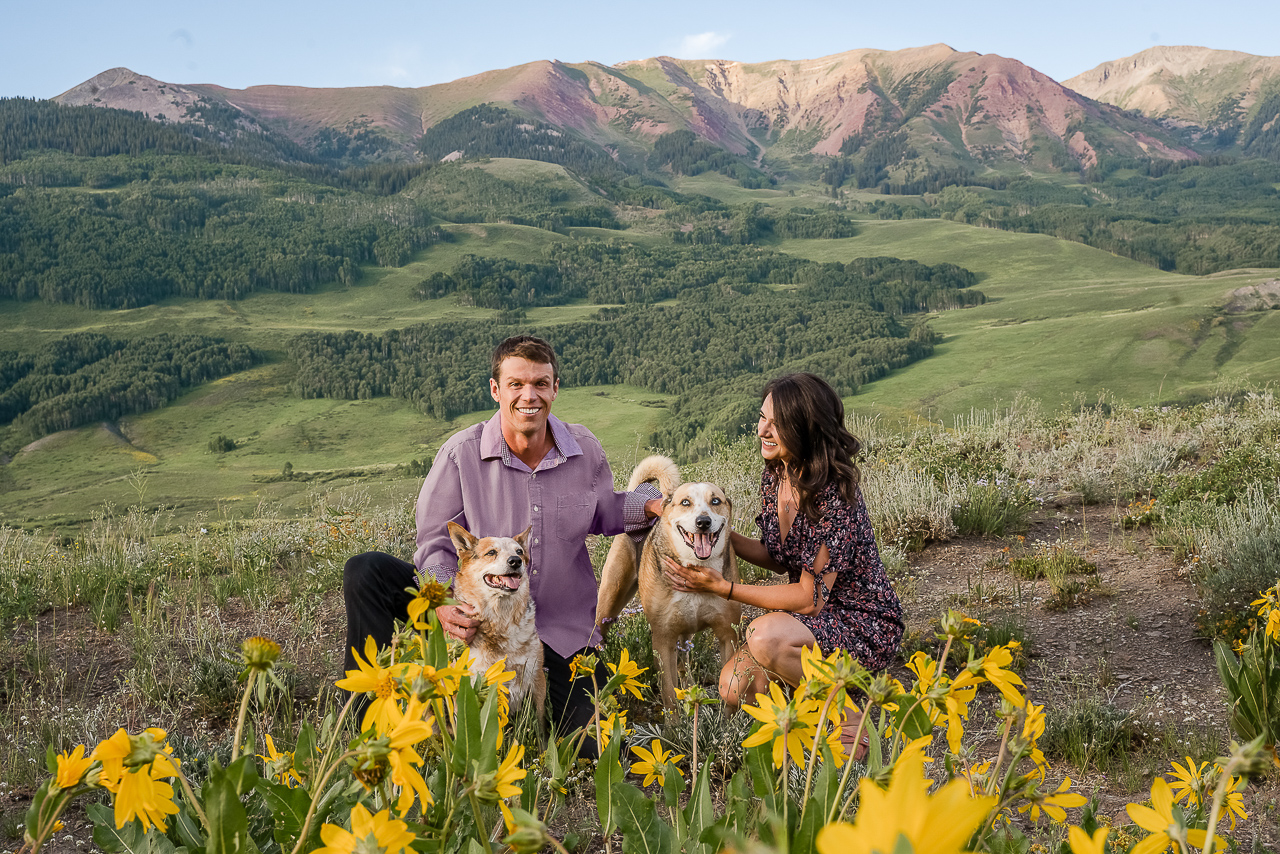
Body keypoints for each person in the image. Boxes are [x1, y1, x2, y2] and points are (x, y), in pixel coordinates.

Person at [342, 335, 662, 745]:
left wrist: (655, 505)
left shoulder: (584, 449)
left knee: (590, 745)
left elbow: (603, 511)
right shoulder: (461, 453)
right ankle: (369, 724)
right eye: (516, 384)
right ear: (496, 389)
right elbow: (434, 541)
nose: (529, 396)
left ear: (555, 388)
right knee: (365, 571)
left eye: (541, 384)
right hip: (474, 620)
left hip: (558, 631)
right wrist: (443, 602)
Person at [662, 372, 903, 759]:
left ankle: (850, 720)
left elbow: (809, 599)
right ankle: (807, 721)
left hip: (860, 621)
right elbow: (778, 557)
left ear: (806, 428)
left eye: (777, 423)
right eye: (762, 417)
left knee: (764, 636)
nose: (762, 429)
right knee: (732, 686)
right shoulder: (777, 474)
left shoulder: (833, 498)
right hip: (811, 621)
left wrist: (721, 587)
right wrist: (711, 534)